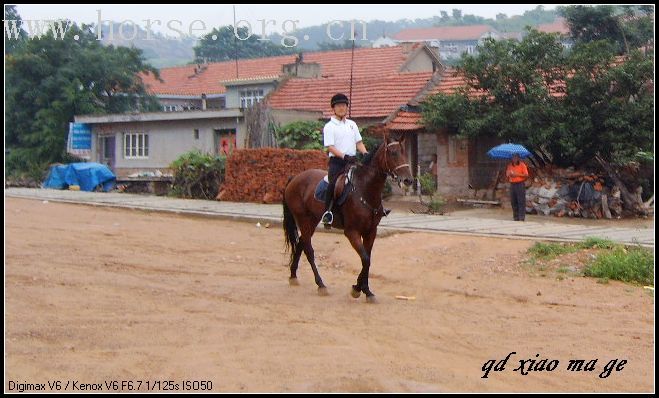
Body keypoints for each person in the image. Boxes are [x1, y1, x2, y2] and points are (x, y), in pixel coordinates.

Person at [321, 93, 368, 226]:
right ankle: (328, 213)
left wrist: (365, 153)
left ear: (347, 107)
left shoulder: (352, 124)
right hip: (337, 163)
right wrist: (344, 156)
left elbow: (359, 143)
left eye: (344, 105)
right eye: (338, 106)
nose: (342, 108)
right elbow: (330, 147)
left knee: (367, 181)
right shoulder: (329, 126)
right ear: (333, 108)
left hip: (352, 161)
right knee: (334, 185)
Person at [506, 153, 529, 221]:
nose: (514, 159)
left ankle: (521, 217)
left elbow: (526, 175)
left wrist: (517, 174)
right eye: (513, 157)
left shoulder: (522, 165)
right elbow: (507, 173)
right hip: (512, 184)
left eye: (516, 157)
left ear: (518, 158)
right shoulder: (510, 165)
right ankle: (515, 217)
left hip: (520, 184)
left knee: (521, 201)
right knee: (513, 201)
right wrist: (508, 174)